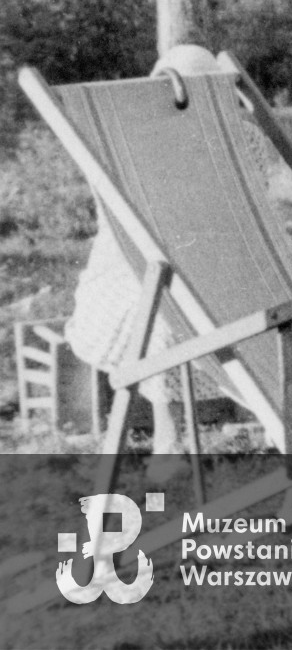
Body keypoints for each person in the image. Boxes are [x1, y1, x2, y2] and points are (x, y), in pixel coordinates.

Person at [65, 44, 234, 456]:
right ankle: (168, 435)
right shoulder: (143, 144)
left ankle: (171, 439)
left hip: (203, 278)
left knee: (169, 308)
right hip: (142, 276)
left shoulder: (231, 142)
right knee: (163, 311)